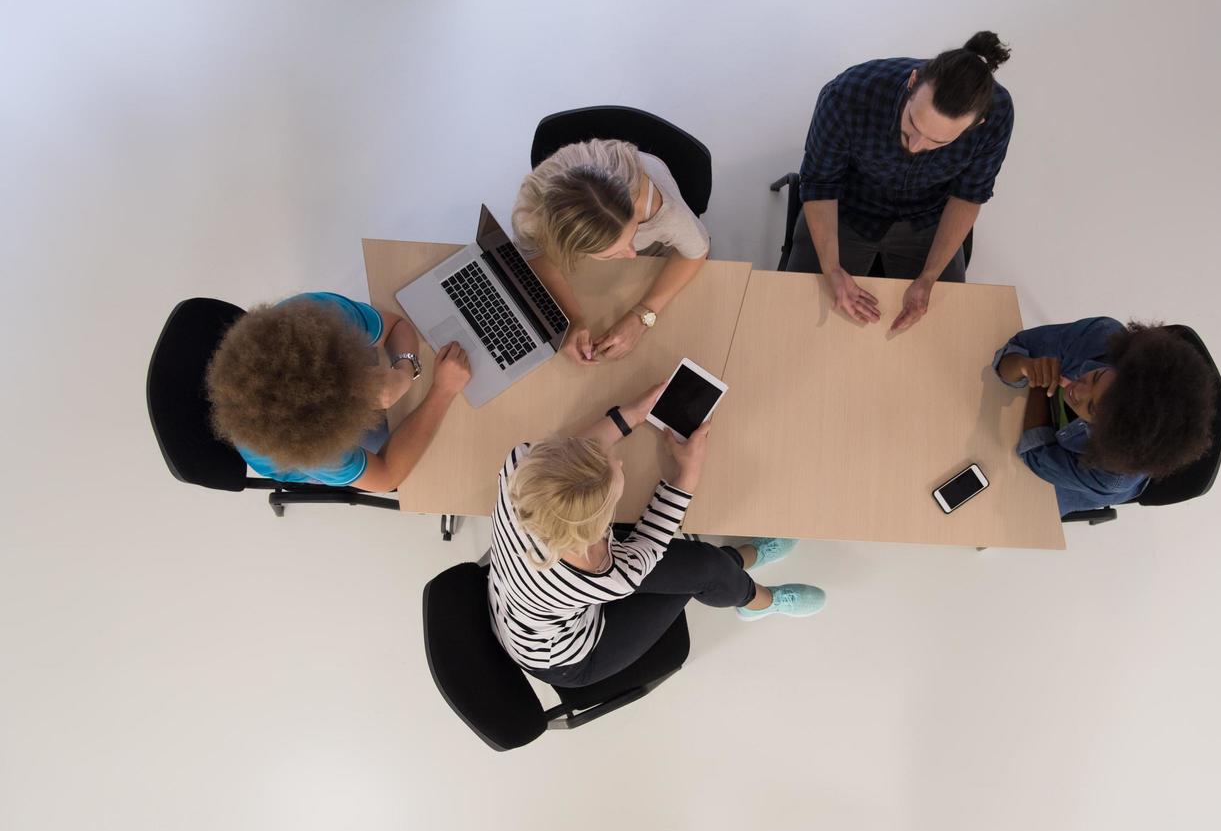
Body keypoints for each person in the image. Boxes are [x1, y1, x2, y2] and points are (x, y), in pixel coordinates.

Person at [487, 386, 826, 688]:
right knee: (704, 571)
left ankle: (739, 564)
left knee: (706, 566)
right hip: (567, 658)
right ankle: (758, 602)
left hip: (522, 606)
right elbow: (652, 537)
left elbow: (573, 455)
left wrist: (631, 414)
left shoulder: (522, 468)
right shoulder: (603, 574)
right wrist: (688, 474)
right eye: (615, 476)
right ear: (596, 529)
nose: (619, 463)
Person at [789, 30, 1015, 332]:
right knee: (798, 316)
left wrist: (928, 277)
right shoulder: (848, 95)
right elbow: (820, 184)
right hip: (847, 209)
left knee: (941, 332)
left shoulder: (997, 116)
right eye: (912, 124)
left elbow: (967, 196)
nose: (916, 146)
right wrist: (831, 269)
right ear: (912, 82)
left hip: (927, 218)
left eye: (937, 141)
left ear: (977, 125)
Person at [206, 291, 470, 491]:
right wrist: (442, 391)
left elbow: (396, 327)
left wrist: (405, 370)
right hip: (298, 452)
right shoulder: (317, 454)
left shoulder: (313, 317)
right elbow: (387, 476)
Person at [511, 139, 711, 367]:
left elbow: (697, 251)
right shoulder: (532, 214)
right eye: (610, 253)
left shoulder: (664, 213)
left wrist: (643, 315)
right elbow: (534, 253)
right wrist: (573, 320)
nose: (631, 253)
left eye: (633, 234)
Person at [993, 317, 1217, 515]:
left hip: (1052, 486)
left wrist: (1040, 383)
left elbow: (1036, 456)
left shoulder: (1112, 475)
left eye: (1092, 408)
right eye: (1096, 377)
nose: (1077, 391)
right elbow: (1017, 349)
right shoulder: (1102, 337)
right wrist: (1025, 365)